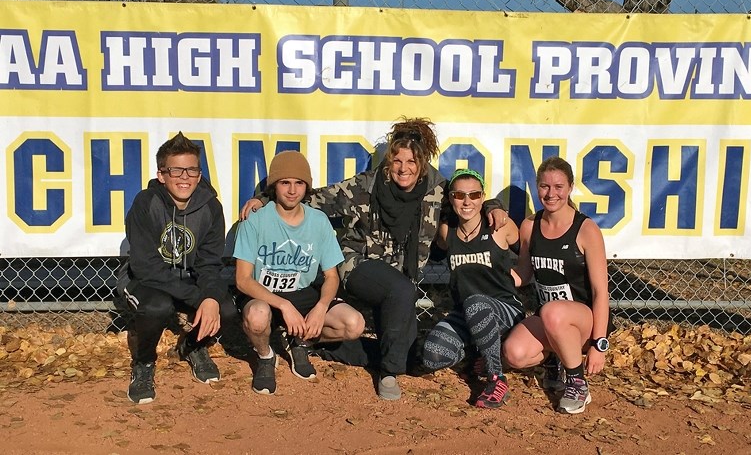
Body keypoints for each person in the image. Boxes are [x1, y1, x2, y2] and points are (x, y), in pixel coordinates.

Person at [241, 117, 509, 400]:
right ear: (389, 161)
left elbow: (465, 200)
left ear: (421, 165)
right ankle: (388, 375)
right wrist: (265, 198)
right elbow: (316, 197)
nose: (403, 168)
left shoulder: (437, 190)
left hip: (399, 277)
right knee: (400, 295)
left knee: (410, 357)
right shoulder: (367, 185)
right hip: (357, 262)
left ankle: (310, 342)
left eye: (411, 162)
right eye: (397, 161)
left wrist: (493, 205)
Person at [117, 132, 239, 404]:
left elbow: (209, 263)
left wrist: (210, 297)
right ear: (162, 174)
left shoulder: (211, 207)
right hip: (145, 281)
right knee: (159, 307)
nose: (184, 177)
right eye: (176, 170)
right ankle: (144, 363)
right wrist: (200, 299)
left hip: (187, 278)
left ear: (199, 173)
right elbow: (145, 266)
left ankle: (192, 346)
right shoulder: (145, 203)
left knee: (227, 308)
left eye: (192, 169)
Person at [233, 151, 365, 395]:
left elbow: (332, 276)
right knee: (258, 315)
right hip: (264, 295)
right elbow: (242, 279)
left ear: (307, 187)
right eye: (285, 183)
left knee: (353, 324)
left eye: (299, 183)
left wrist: (321, 307)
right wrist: (284, 306)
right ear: (274, 186)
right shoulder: (255, 220)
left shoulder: (318, 221)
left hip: (303, 293)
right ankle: (265, 356)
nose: (292, 190)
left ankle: (299, 342)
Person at [502, 156, 612, 414]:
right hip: (551, 320)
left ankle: (577, 382)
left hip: (583, 321)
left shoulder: (586, 229)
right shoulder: (530, 225)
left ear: (570, 188)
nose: (551, 194)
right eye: (544, 186)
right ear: (537, 187)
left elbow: (600, 291)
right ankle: (556, 358)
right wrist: (491, 275)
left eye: (558, 187)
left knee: (552, 310)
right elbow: (523, 273)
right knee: (514, 353)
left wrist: (599, 343)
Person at [421, 168, 524, 408]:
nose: (467, 201)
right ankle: (479, 352)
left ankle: (496, 377)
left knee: (477, 302)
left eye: (474, 195)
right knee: (433, 355)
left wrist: (519, 278)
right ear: (451, 199)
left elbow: (531, 255)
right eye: (459, 195)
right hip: (467, 313)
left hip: (505, 309)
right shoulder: (447, 233)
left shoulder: (500, 227)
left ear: (483, 197)